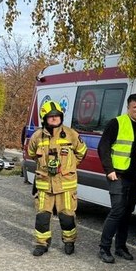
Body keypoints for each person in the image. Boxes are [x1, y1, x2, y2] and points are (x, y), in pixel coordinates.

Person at [27, 100, 88, 256]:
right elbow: (32, 154)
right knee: (42, 217)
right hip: (44, 184)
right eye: (51, 116)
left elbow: (82, 152)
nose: (54, 119)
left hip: (66, 184)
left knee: (67, 217)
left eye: (57, 116)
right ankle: (42, 244)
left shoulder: (71, 134)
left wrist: (70, 166)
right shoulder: (37, 137)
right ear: (44, 118)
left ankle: (69, 242)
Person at [97, 94, 136, 263]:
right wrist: (109, 169)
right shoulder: (117, 122)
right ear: (128, 108)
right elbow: (103, 146)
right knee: (117, 211)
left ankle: (120, 247)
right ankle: (104, 248)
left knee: (127, 213)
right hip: (118, 175)